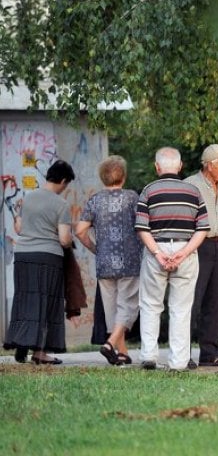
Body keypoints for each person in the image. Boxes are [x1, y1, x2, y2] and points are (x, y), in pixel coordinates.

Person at [135, 147, 210, 371]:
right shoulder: (194, 192)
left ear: (157, 167)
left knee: (150, 304)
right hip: (186, 251)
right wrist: (183, 252)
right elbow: (203, 228)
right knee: (181, 308)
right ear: (180, 166)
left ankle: (149, 355)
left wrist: (158, 253)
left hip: (155, 249)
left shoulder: (148, 191)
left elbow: (142, 227)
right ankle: (178, 362)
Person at [3, 160, 78, 364]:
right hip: (48, 258)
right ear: (63, 181)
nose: (65, 189)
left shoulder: (27, 198)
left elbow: (19, 229)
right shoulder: (61, 204)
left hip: (23, 256)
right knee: (47, 302)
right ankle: (39, 352)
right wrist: (71, 238)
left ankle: (21, 342)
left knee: (25, 300)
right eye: (66, 184)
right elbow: (64, 239)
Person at [75, 155, 142, 366]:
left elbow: (80, 231)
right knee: (129, 305)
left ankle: (121, 353)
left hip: (104, 263)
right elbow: (143, 227)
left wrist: (96, 249)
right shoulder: (133, 198)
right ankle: (111, 343)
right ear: (123, 175)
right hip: (129, 261)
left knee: (112, 309)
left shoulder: (95, 200)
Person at [184, 144, 218, 368]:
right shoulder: (190, 185)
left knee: (216, 300)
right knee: (191, 300)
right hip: (197, 245)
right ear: (210, 166)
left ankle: (210, 353)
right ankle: (182, 353)